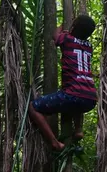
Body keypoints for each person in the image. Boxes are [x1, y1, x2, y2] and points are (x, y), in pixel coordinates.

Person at [28, 14, 97, 151]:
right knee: (78, 101)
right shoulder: (89, 47)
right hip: (91, 98)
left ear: (73, 27)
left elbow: (55, 35)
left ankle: (55, 143)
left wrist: (64, 25)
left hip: (73, 95)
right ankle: (78, 130)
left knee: (33, 107)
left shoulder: (67, 39)